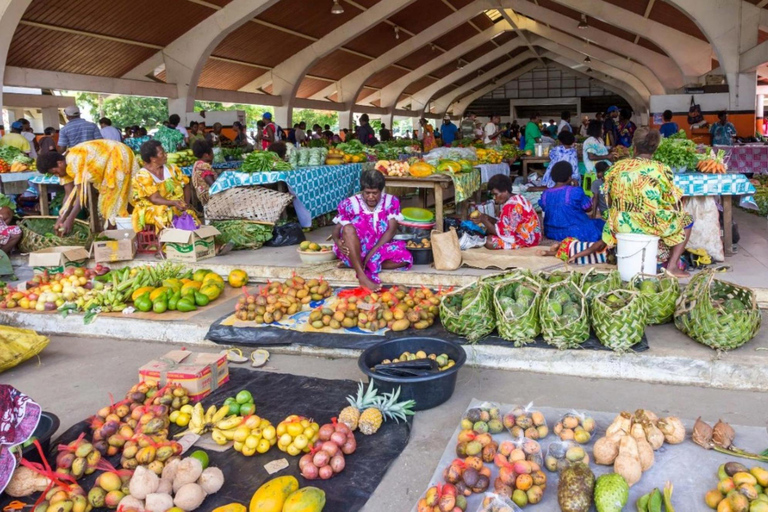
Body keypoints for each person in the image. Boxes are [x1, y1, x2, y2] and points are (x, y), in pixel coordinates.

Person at [599, 128, 693, 277]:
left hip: (619, 222)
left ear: (634, 148)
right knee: (687, 220)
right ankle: (672, 266)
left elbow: (608, 199)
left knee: (612, 213)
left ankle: (622, 255)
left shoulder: (616, 167)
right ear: (655, 149)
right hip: (650, 222)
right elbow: (671, 201)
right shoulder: (662, 169)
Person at [332, 169, 413, 291]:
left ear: (381, 191)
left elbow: (391, 231)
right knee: (348, 229)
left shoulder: (391, 202)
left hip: (380, 247)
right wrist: (338, 242)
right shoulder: (349, 204)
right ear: (362, 191)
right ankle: (361, 275)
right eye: (367, 193)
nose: (370, 197)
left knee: (404, 259)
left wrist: (372, 252)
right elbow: (336, 230)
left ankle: (356, 263)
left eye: (375, 193)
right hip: (356, 247)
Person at [36, 139, 139, 234]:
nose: (56, 175)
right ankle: (122, 232)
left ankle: (115, 236)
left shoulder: (74, 161)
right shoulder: (63, 167)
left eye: (55, 172)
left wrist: (70, 219)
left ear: (59, 163)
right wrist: (61, 219)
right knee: (112, 201)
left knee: (111, 201)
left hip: (118, 154)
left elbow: (82, 196)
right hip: (109, 161)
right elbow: (69, 196)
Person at [130, 140, 198, 232]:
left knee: (190, 216)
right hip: (152, 208)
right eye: (162, 153)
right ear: (153, 158)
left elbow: (186, 185)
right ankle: (165, 242)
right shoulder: (142, 176)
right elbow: (155, 198)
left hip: (174, 206)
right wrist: (174, 203)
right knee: (165, 213)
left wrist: (185, 204)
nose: (166, 155)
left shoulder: (172, 169)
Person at [539, 162, 605, 242]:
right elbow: (588, 208)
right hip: (575, 232)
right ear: (569, 177)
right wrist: (577, 188)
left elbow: (544, 207)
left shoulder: (546, 193)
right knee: (601, 224)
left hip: (551, 232)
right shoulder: (575, 191)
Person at [475, 174, 541, 250]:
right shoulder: (518, 198)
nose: (494, 198)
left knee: (489, 241)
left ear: (505, 191)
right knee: (489, 233)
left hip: (527, 241)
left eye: (496, 194)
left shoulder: (510, 206)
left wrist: (484, 221)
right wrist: (489, 218)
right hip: (534, 237)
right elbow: (506, 224)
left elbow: (503, 234)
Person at [191, 140, 216, 206]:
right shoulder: (204, 166)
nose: (213, 155)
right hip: (210, 198)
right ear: (206, 155)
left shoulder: (197, 163)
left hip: (202, 197)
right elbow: (213, 185)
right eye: (212, 153)